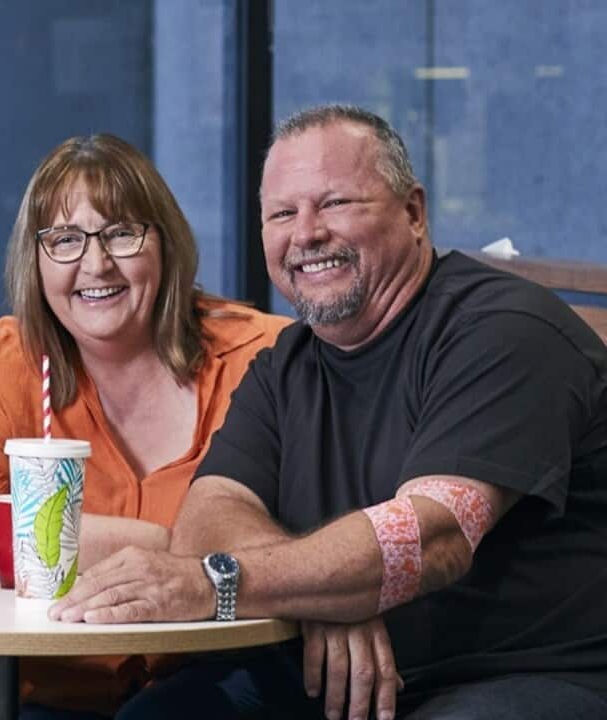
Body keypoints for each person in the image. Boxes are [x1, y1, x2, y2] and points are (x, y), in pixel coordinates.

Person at [50, 104, 607, 720]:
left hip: (523, 679)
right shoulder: (286, 363)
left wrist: (223, 582)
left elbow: (433, 537)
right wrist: (329, 593)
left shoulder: (502, 330)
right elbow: (207, 519)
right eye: (283, 213)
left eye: (336, 203)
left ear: (414, 213)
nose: (307, 232)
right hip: (334, 681)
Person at [0, 133, 289, 718]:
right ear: (34, 259)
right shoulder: (8, 360)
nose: (95, 264)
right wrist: (174, 554)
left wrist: (198, 572)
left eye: (121, 233)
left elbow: (323, 535)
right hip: (58, 691)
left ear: (165, 243)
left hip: (229, 680)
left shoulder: (264, 355)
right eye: (64, 239)